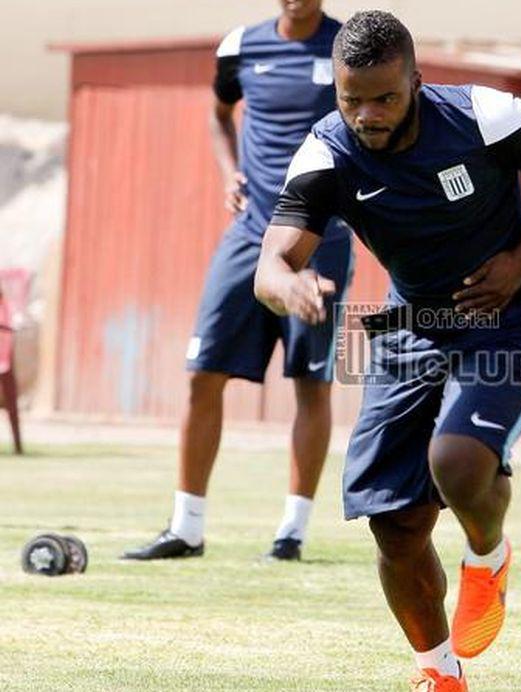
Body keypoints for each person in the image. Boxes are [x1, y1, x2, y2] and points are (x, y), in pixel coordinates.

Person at [253, 11, 521, 690]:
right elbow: (271, 266)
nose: (368, 115)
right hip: (411, 331)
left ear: (415, 80)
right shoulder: (327, 155)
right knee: (394, 523)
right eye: (352, 100)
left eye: (385, 97)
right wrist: (292, 289)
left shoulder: (482, 117)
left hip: (510, 320)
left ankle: (487, 558)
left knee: (456, 464)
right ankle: (439, 675)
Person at [123, 0, 353, 562]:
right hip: (249, 235)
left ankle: (291, 534)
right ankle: (187, 528)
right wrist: (230, 173)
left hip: (318, 239)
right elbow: (218, 113)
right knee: (203, 373)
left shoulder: (349, 46)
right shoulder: (239, 47)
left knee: (310, 383)